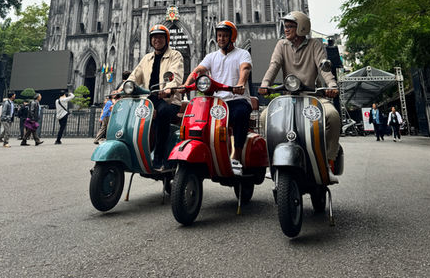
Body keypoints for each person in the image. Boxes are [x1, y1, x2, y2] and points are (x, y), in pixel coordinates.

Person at [258, 11, 340, 171]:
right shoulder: (281, 45)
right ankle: (274, 157)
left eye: (290, 26)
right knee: (264, 117)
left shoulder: (314, 45)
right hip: (288, 98)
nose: (286, 29)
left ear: (302, 28)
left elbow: (323, 68)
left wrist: (331, 85)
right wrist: (265, 84)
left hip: (312, 96)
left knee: (333, 116)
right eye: (285, 26)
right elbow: (274, 66)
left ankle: (329, 160)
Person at [184, 20, 252, 170]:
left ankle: (236, 155)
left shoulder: (242, 54)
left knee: (240, 113)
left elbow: (245, 68)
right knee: (197, 117)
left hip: (237, 99)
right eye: (219, 35)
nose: (221, 38)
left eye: (225, 36)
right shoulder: (211, 56)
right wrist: (186, 85)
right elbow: (198, 71)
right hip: (217, 102)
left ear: (232, 37)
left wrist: (240, 84)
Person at [117, 24, 183, 171]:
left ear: (166, 39)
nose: (157, 40)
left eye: (160, 37)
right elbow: (134, 76)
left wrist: (168, 89)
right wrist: (121, 89)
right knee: (130, 112)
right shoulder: (147, 58)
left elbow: (175, 75)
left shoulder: (175, 55)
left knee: (163, 112)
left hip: (168, 100)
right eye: (154, 37)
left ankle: (159, 157)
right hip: (149, 99)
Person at [326, 36, 343, 118]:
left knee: (334, 92)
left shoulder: (328, 49)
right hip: (330, 71)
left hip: (329, 70)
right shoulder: (332, 49)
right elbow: (338, 62)